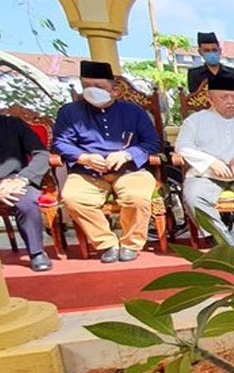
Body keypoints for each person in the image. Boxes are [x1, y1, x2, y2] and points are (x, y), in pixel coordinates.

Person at [53, 61, 160, 263]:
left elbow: (152, 143)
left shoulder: (134, 112)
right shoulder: (69, 112)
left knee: (137, 198)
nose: (92, 91)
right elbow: (59, 142)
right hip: (87, 170)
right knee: (73, 198)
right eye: (87, 87)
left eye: (99, 87)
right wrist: (82, 157)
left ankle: (131, 244)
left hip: (130, 170)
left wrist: (127, 154)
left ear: (115, 91)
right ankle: (106, 243)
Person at [175, 74, 234, 258]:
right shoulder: (195, 121)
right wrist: (211, 162)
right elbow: (182, 147)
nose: (231, 102)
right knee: (193, 197)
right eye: (224, 97)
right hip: (206, 175)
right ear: (210, 99)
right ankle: (226, 243)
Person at [0, 73, 52, 271]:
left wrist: (22, 179)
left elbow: (41, 154)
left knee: (27, 202)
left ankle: (37, 253)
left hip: (16, 180)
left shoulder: (13, 124)